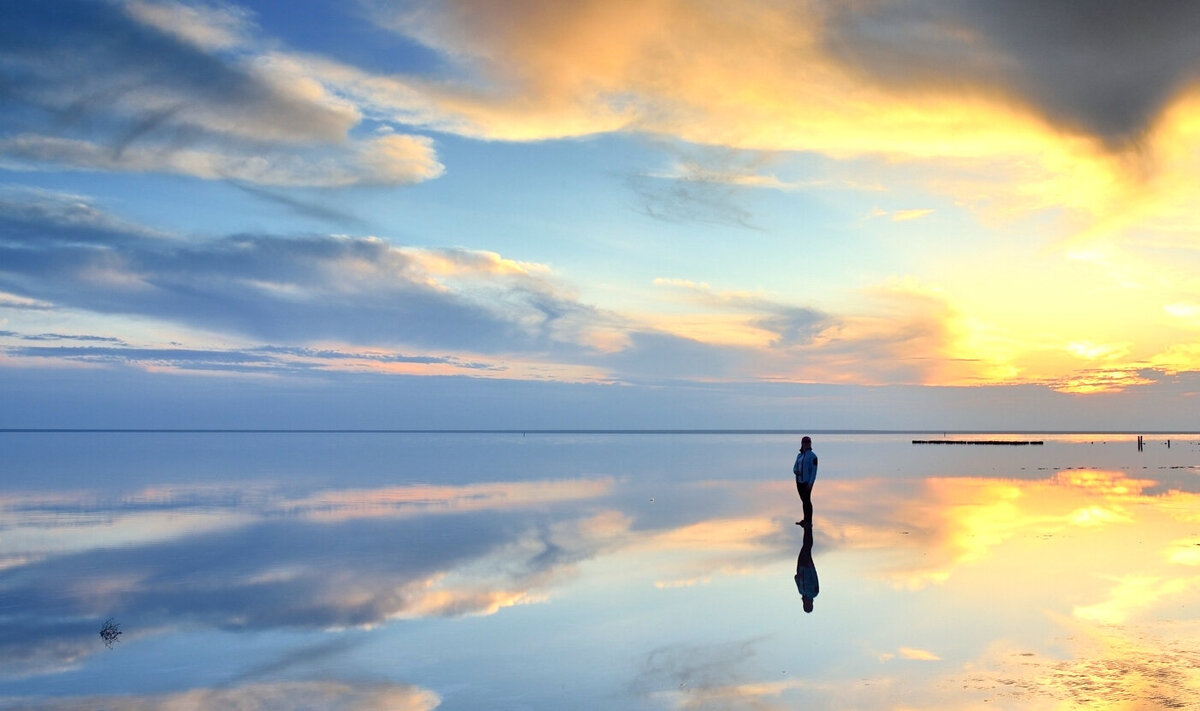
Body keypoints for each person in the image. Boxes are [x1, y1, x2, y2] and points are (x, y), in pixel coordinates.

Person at [792, 435, 818, 528]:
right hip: (799, 482)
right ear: (802, 444)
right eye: (804, 443)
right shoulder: (799, 455)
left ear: (810, 444)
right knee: (803, 501)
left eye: (808, 443)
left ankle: (809, 521)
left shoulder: (813, 456)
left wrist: (811, 483)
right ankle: (805, 520)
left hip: (807, 482)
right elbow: (794, 467)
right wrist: (796, 471)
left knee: (807, 501)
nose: (806, 444)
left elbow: (814, 472)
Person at [795, 522, 819, 613]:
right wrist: (811, 565)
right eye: (807, 605)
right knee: (807, 547)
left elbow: (796, 579)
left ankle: (807, 527)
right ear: (811, 604)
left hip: (800, 567)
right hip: (807, 567)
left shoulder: (801, 592)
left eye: (805, 605)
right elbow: (815, 578)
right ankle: (808, 527)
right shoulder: (814, 593)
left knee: (805, 546)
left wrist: (797, 577)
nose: (806, 604)